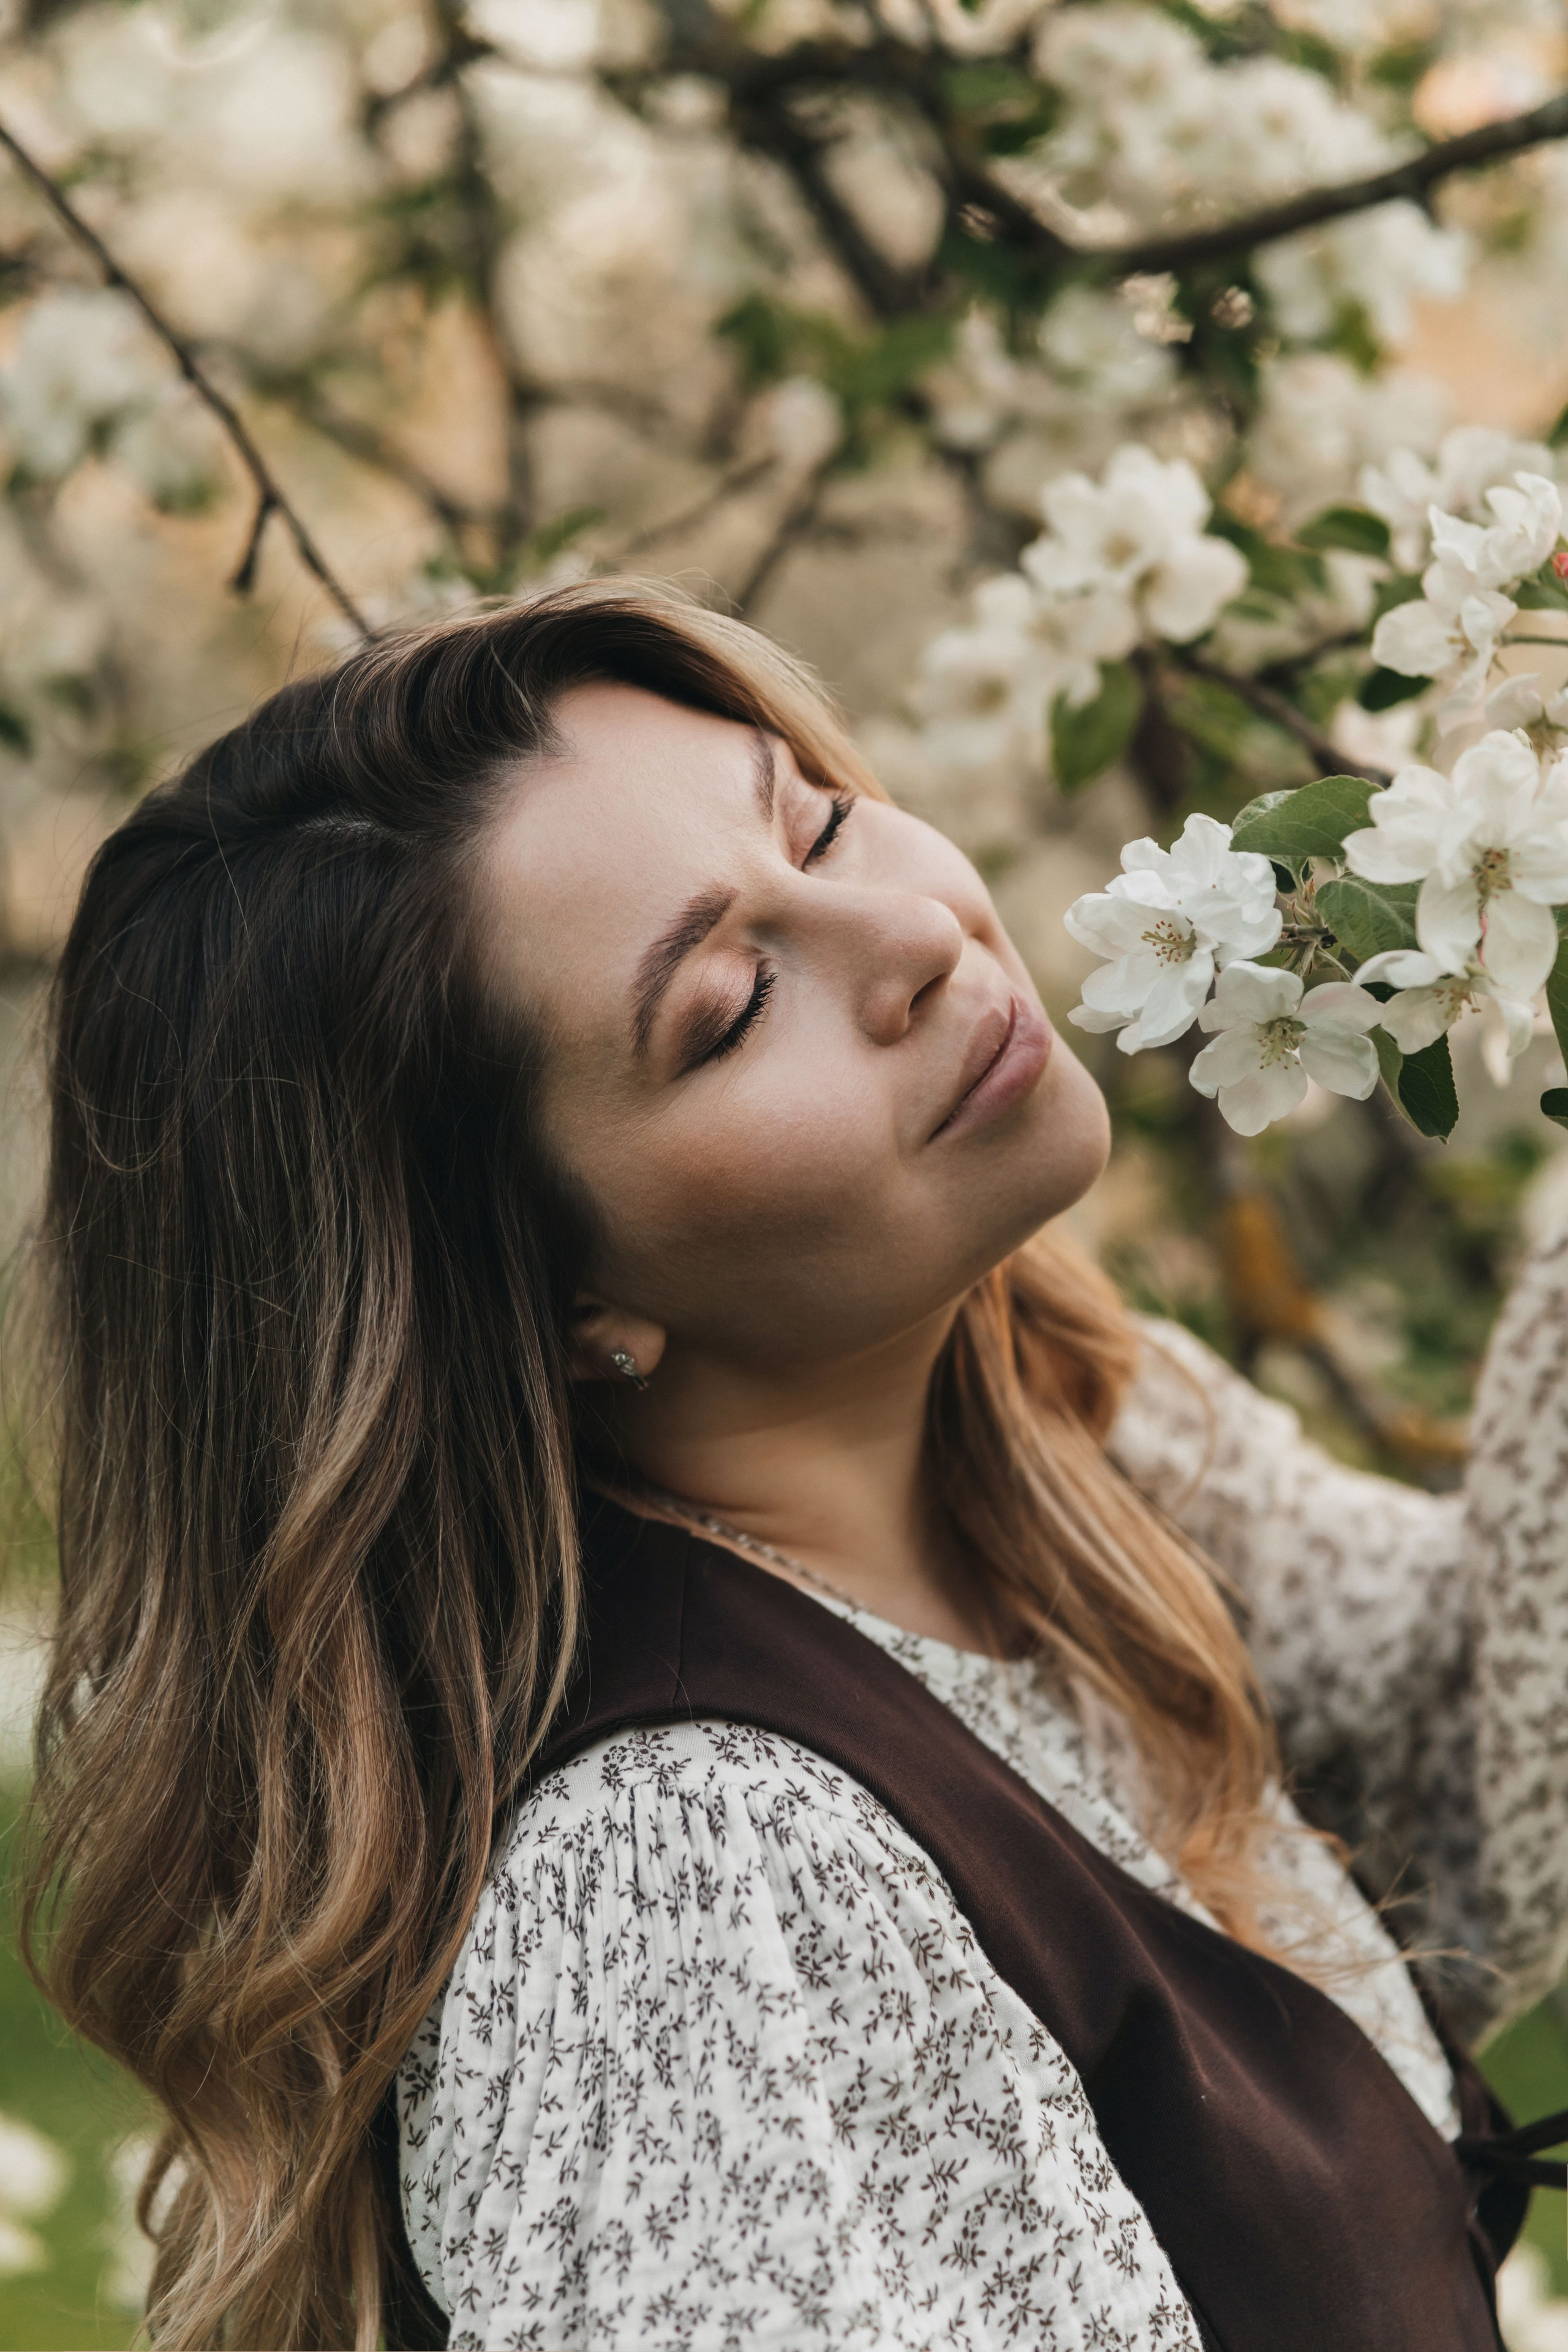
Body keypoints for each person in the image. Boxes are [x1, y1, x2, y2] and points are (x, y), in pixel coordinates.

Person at [13, 579, 1568, 2352]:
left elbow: (1476, 1747)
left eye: (815, 815)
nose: (904, 932)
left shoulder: (1062, 1432)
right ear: (554, 1301)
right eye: (735, 1003)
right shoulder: (688, 1893)